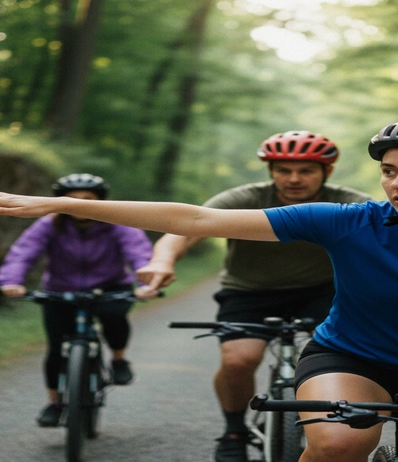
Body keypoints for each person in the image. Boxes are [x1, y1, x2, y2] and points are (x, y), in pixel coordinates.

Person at [0, 116, 398, 461]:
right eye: (388, 170)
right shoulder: (349, 221)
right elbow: (197, 219)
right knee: (338, 442)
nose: (397, 183)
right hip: (353, 360)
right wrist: (62, 204)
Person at [136, 131, 371, 462]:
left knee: (339, 361)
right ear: (270, 171)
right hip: (249, 291)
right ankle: (234, 431)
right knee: (238, 360)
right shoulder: (244, 198)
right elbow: (186, 228)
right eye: (283, 171)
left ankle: (326, 428)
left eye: (306, 171)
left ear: (326, 172)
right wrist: (162, 260)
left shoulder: (348, 200)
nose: (293, 179)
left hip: (324, 291)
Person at [0, 173, 157, 428]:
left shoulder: (118, 224)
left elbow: (139, 253)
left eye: (87, 199)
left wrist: (147, 284)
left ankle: (118, 359)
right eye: (71, 199)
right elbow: (23, 253)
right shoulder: (49, 224)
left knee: (114, 317)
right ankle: (55, 402)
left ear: (100, 201)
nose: (79, 204)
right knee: (56, 348)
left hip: (111, 287)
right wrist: (10, 281)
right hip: (61, 291)